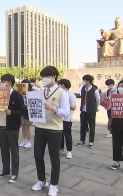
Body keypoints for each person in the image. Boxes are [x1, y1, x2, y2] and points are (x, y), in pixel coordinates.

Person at [31, 66, 70, 196]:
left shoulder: (62, 93)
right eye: (43, 77)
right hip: (40, 128)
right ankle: (41, 180)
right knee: (38, 156)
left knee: (54, 159)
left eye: (47, 77)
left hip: (54, 130)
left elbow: (66, 113)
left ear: (54, 77)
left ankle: (54, 184)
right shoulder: (41, 91)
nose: (45, 79)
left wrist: (54, 109)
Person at [0, 74, 25, 183]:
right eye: (2, 81)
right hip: (1, 126)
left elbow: (22, 110)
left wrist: (12, 112)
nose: (2, 83)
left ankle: (14, 173)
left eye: (4, 81)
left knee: (14, 150)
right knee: (3, 149)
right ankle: (5, 170)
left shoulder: (16, 95)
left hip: (12, 127)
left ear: (10, 83)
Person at [77, 74, 100, 149]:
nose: (83, 81)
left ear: (88, 81)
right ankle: (82, 140)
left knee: (91, 127)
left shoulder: (94, 90)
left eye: (84, 80)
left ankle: (91, 142)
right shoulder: (82, 89)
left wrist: (96, 108)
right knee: (82, 126)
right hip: (83, 110)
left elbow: (97, 100)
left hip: (91, 111)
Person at [58, 79, 76, 159]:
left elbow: (74, 107)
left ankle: (69, 151)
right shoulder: (59, 94)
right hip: (59, 117)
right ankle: (60, 148)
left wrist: (65, 105)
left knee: (67, 135)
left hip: (67, 119)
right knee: (60, 135)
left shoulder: (71, 95)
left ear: (63, 85)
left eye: (60, 84)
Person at [19, 79, 33, 149]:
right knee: (23, 127)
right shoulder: (20, 93)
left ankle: (29, 141)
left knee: (27, 127)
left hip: (28, 112)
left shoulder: (31, 93)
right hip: (22, 111)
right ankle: (24, 140)